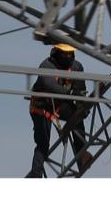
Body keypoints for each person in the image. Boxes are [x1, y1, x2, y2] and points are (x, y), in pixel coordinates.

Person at [26, 44, 91, 178]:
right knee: (43, 142)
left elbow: (80, 90)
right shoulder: (47, 66)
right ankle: (36, 174)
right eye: (64, 54)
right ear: (57, 52)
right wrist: (71, 92)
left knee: (77, 117)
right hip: (41, 107)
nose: (67, 56)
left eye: (70, 54)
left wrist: (82, 106)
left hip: (59, 104)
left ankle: (81, 155)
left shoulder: (76, 67)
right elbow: (50, 85)